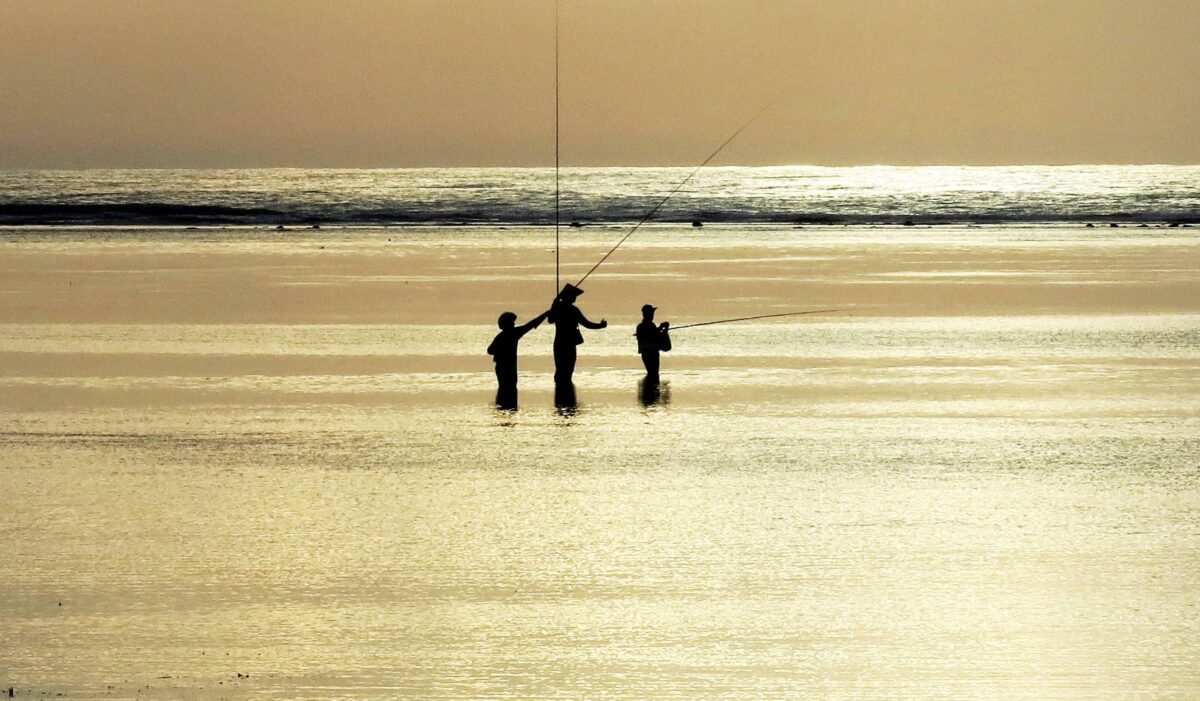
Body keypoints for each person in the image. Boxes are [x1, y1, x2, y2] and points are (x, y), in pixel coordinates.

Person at [487, 308, 550, 404]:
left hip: (501, 367)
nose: (513, 324)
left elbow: (490, 351)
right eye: (511, 322)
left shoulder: (501, 336)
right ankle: (508, 408)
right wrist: (547, 313)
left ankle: (503, 408)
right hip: (507, 367)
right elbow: (531, 324)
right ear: (506, 324)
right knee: (510, 389)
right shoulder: (513, 333)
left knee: (505, 389)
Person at [547, 284, 606, 383]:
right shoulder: (573, 310)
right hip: (569, 343)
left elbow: (550, 320)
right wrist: (601, 326)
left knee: (560, 369)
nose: (575, 298)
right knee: (568, 370)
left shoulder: (558, 308)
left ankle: (560, 393)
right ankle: (566, 394)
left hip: (559, 343)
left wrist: (554, 305)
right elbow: (587, 324)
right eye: (573, 296)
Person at [635, 304, 671, 379]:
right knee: (654, 374)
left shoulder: (641, 326)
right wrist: (664, 329)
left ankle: (649, 388)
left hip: (646, 353)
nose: (652, 315)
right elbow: (655, 336)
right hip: (652, 353)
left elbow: (652, 334)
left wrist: (660, 328)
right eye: (651, 313)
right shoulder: (648, 325)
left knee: (652, 373)